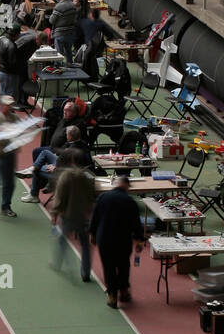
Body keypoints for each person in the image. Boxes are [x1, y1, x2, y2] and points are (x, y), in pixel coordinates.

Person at [89, 172, 144, 308]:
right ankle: (124, 291)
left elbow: (95, 217)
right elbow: (136, 224)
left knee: (108, 268)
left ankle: (112, 296)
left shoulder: (103, 197)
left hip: (104, 239)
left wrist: (92, 234)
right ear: (127, 187)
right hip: (122, 241)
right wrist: (139, 241)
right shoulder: (130, 201)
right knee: (123, 266)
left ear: (115, 184)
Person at [49, 149, 96, 281]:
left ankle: (57, 263)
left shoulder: (65, 176)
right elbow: (91, 197)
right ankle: (85, 273)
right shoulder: (86, 177)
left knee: (63, 240)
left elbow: (59, 197)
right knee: (85, 245)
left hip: (68, 215)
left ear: (72, 161)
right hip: (82, 216)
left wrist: (54, 214)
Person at [21, 120, 90, 203]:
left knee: (38, 170)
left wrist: (56, 168)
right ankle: (33, 168)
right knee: (45, 152)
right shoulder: (81, 144)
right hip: (60, 163)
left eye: (66, 134)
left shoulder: (72, 151)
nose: (66, 136)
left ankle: (33, 195)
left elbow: (73, 168)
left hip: (63, 174)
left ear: (69, 136)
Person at [50, 0, 79, 64]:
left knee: (58, 54)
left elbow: (51, 21)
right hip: (70, 33)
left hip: (60, 34)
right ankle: (70, 66)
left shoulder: (59, 6)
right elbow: (75, 19)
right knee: (69, 52)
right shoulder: (73, 5)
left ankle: (57, 69)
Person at [0, 23, 21, 104]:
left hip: (1, 71)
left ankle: (2, 114)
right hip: (9, 75)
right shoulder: (11, 46)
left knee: (2, 96)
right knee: (9, 98)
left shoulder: (1, 39)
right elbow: (12, 63)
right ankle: (7, 115)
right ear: (16, 34)